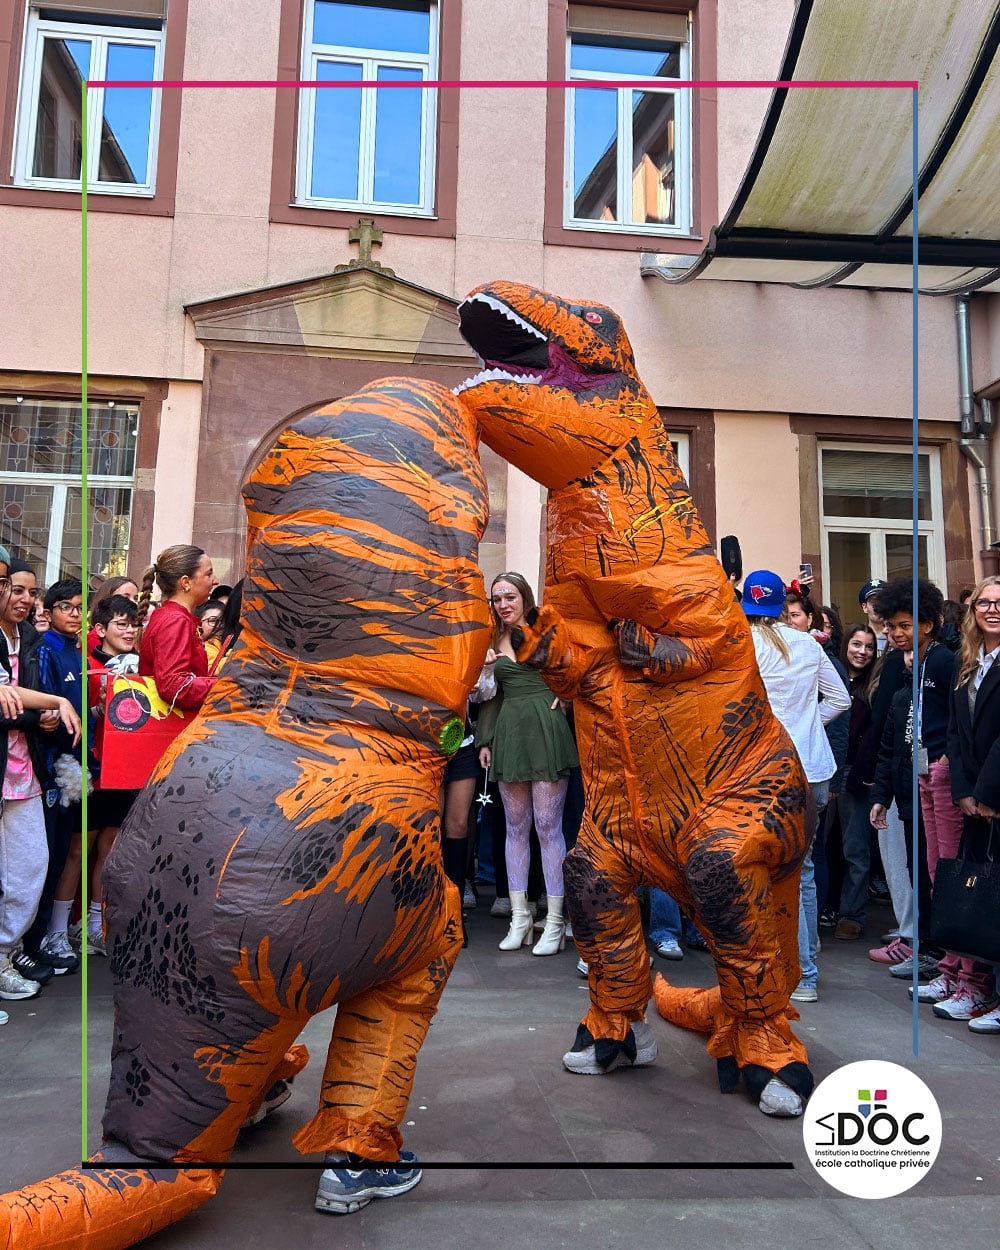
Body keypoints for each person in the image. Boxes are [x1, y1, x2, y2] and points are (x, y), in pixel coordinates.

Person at [745, 571, 849, 1003]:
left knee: (773, 875)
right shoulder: (807, 644)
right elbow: (841, 699)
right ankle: (807, 963)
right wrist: (809, 725)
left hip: (769, 770)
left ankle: (801, 971)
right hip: (814, 768)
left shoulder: (746, 645)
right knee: (801, 871)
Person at [475, 571, 579, 956]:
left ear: (524, 597)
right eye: (497, 598)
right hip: (510, 730)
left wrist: (566, 695)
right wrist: (485, 739)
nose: (503, 604)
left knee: (548, 827)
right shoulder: (492, 637)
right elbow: (489, 696)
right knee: (515, 827)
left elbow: (578, 664)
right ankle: (520, 919)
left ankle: (555, 921)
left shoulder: (546, 626)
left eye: (510, 597)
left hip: (545, 726)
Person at [0, 550, 83, 1003]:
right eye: (15, 589)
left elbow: (21, 700)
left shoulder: (30, 639)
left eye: (30, 592)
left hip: (26, 770)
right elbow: (9, 706)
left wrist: (40, 712)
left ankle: (7, 956)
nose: (23, 599)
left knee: (31, 869)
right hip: (19, 765)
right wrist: (46, 710)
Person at [944, 575, 1000, 1031]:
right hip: (975, 801)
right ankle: (978, 989)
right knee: (981, 897)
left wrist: (987, 792)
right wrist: (963, 790)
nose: (992, 609)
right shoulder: (968, 662)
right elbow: (956, 733)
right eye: (985, 602)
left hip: (996, 795)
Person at [832, 624, 879, 937]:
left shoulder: (874, 685)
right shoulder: (830, 676)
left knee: (855, 848)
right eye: (857, 644)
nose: (862, 652)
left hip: (855, 772)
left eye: (869, 647)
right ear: (846, 645)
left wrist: (862, 776)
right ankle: (825, 908)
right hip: (826, 769)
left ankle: (852, 914)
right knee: (822, 847)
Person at [136, 545, 219, 711]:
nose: (215, 580)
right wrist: (229, 686)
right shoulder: (175, 620)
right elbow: (174, 686)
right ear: (186, 582)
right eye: (209, 574)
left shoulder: (171, 616)